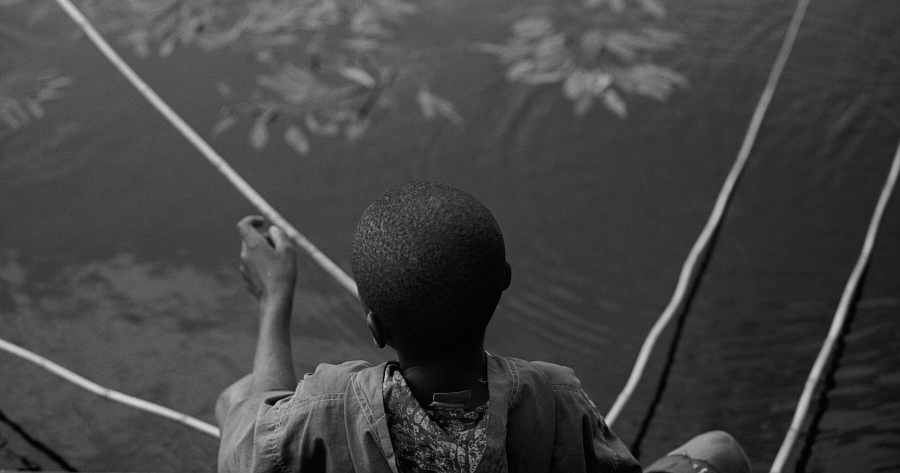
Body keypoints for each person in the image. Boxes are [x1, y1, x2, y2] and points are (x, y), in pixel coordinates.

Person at [216, 181, 752, 473]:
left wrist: (275, 298)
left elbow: (248, 448)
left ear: (376, 328)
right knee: (720, 450)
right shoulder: (556, 397)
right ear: (504, 284)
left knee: (237, 399)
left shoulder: (327, 410)